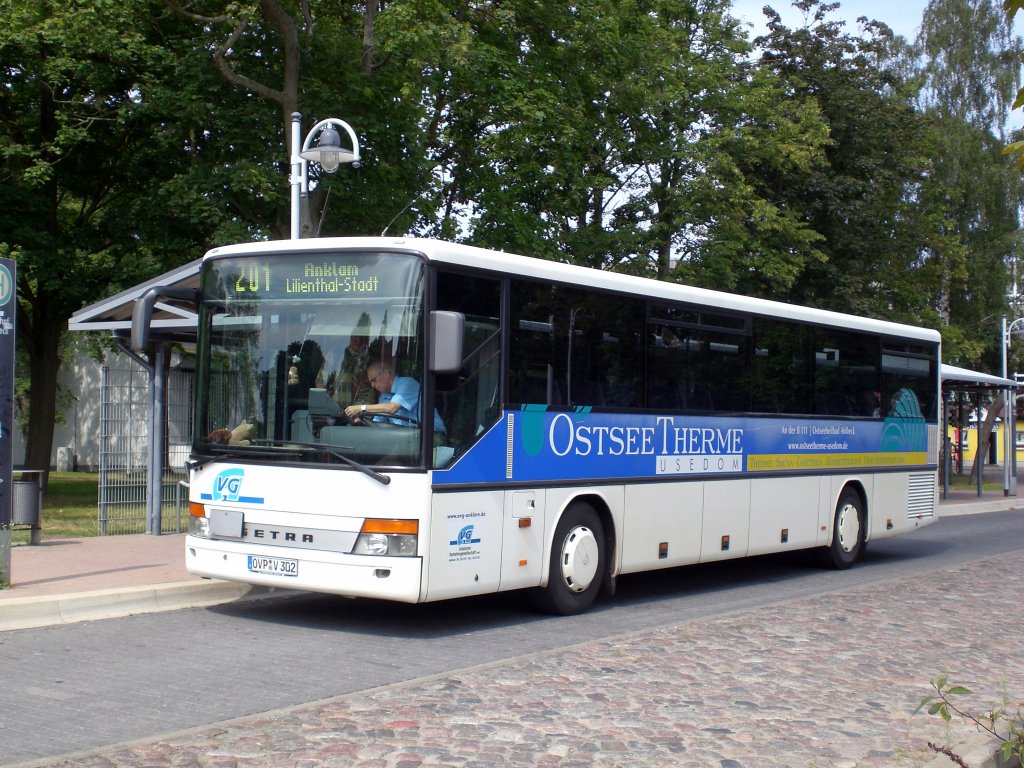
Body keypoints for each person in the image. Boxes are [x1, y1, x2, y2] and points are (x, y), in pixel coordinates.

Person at [344, 359, 446, 435]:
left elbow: (392, 408)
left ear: (386, 373)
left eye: (374, 380)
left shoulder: (408, 383)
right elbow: (377, 424)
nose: (372, 386)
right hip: (406, 437)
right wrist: (363, 422)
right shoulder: (384, 396)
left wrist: (361, 408)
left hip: (432, 436)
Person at [333, 314, 374, 408]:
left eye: (362, 337)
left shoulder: (371, 359)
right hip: (335, 411)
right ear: (350, 337)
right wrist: (329, 404)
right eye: (356, 336)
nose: (358, 340)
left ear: (368, 339)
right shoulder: (336, 354)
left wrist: (358, 410)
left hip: (362, 411)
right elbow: (321, 382)